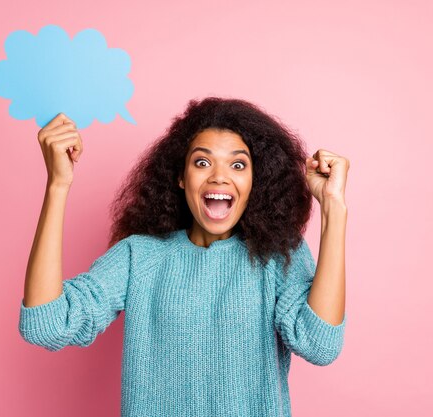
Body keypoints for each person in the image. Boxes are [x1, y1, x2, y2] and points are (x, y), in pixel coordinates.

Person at [19, 97, 349, 417]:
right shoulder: (141, 256)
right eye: (202, 162)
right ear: (180, 177)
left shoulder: (277, 255)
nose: (219, 176)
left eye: (237, 164)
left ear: (254, 182)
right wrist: (58, 185)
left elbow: (319, 344)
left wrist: (333, 209)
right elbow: (47, 325)